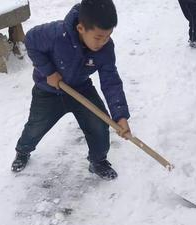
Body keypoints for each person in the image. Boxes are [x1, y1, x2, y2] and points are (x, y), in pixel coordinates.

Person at [12, 0, 131, 180]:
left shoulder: (105, 49)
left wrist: (120, 115)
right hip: (48, 92)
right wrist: (49, 72)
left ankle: (98, 161)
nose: (103, 42)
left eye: (108, 36)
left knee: (99, 124)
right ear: (81, 28)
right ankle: (23, 151)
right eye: (98, 37)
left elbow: (111, 81)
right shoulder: (56, 34)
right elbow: (30, 40)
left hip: (81, 89)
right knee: (35, 127)